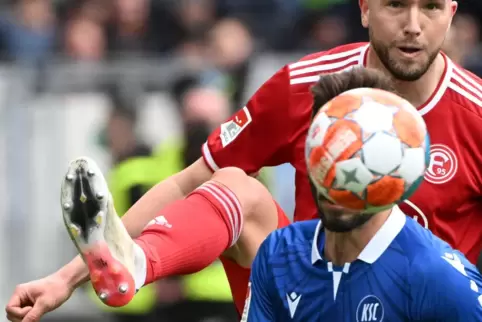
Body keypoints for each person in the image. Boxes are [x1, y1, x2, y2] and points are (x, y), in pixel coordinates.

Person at [6, 0, 482, 320]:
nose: (414, 24)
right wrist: (68, 276)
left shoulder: (475, 114)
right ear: (364, 8)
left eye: (432, 6)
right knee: (234, 181)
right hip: (312, 295)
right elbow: (189, 181)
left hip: (423, 305)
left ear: (453, 13)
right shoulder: (304, 86)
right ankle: (135, 261)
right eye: (396, 3)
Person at [243, 85, 482, 321]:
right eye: (326, 159)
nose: (337, 184)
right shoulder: (278, 253)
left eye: (358, 165)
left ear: (397, 173)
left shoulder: (440, 279)